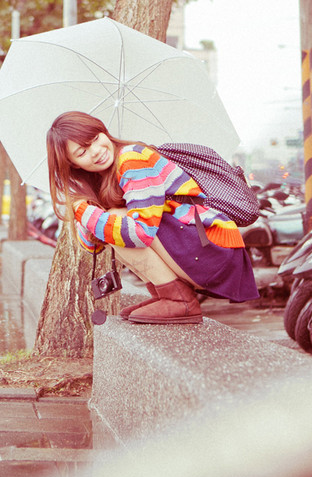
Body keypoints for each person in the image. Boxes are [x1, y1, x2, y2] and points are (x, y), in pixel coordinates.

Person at [46, 111, 258, 325]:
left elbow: (140, 234)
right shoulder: (102, 178)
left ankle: (179, 300)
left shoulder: (132, 158)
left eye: (95, 139)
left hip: (214, 250)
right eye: (82, 152)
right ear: (72, 164)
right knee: (113, 224)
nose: (96, 151)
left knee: (117, 221)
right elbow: (93, 245)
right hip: (197, 248)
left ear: (103, 131)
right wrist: (84, 201)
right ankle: (165, 295)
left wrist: (82, 210)